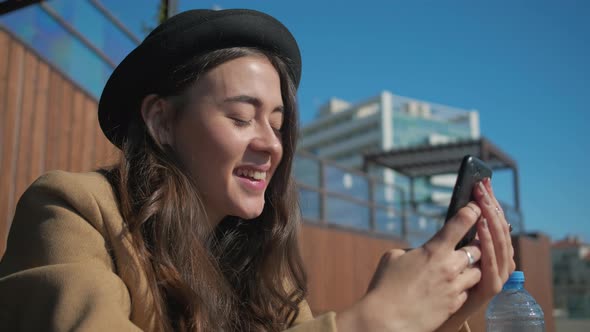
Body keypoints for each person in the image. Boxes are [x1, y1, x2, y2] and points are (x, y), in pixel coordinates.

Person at [0, 8, 515, 332]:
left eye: (278, 123)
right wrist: (374, 320)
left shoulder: (263, 268)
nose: (271, 145)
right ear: (162, 121)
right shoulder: (71, 210)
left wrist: (437, 318)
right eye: (242, 117)